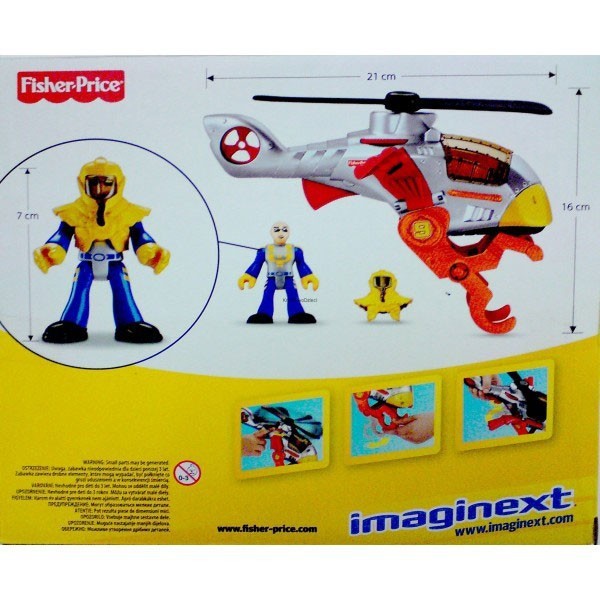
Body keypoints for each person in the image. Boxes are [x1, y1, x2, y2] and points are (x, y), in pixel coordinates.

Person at [33, 157, 170, 344]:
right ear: (83, 184)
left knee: (123, 290)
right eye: (93, 183)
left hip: (115, 263)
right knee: (79, 289)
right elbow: (62, 235)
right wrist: (53, 249)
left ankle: (130, 323)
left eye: (107, 183)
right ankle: (73, 324)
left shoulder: (128, 212)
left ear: (118, 184)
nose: (99, 189)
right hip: (86, 262)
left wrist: (149, 249)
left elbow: (140, 235)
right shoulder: (74, 212)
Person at [238, 221, 319, 323]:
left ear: (288, 233)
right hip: (271, 279)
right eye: (276, 230)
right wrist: (250, 275)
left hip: (289, 279)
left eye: (284, 230)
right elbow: (256, 264)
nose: (281, 233)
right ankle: (264, 314)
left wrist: (307, 276)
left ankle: (297, 314)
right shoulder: (264, 251)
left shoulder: (295, 250)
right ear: (271, 233)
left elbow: (301, 264)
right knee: (267, 295)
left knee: (293, 295)